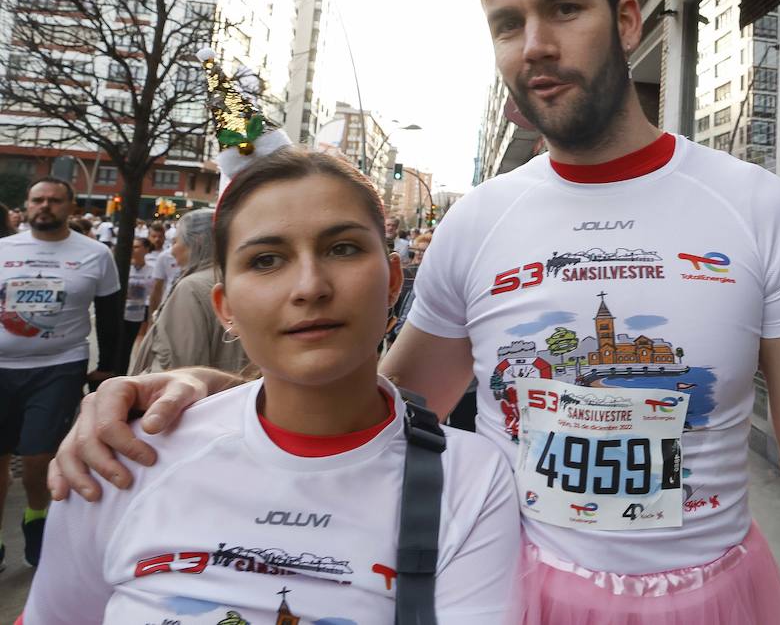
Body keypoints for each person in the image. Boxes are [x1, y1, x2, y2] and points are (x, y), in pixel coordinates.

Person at [49, 0, 780, 623]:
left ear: (627, 21)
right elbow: (381, 405)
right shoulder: (478, 223)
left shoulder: (755, 207)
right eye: (506, 25)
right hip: (515, 595)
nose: (535, 47)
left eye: (563, 9)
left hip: (718, 599)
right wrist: (203, 395)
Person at [24, 147, 520, 622]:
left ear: (394, 279)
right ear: (226, 307)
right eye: (265, 260)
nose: (309, 286)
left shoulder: (471, 483)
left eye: (342, 248)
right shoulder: (121, 457)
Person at [0, 177, 120, 569]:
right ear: (27, 204)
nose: (44, 206)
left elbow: (108, 312)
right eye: (38, 200)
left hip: (58, 366)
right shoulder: (4, 249)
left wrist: (108, 366)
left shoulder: (95, 254)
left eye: (54, 200)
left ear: (70, 206)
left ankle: (36, 516)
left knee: (37, 456)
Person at [130, 210, 244, 375]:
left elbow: (177, 366)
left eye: (176, 241)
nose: (172, 250)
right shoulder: (239, 278)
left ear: (195, 242)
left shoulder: (190, 288)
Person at [117, 237, 156, 371]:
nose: (133, 250)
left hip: (137, 314)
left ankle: (122, 373)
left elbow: (154, 293)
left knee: (126, 347)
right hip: (120, 314)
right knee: (118, 347)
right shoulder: (123, 268)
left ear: (146, 249)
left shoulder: (151, 270)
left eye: (137, 247)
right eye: (132, 247)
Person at [146, 220, 182, 317]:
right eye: (154, 236)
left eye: (160, 236)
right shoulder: (143, 253)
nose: (157, 239)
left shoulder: (170, 255)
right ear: (148, 237)